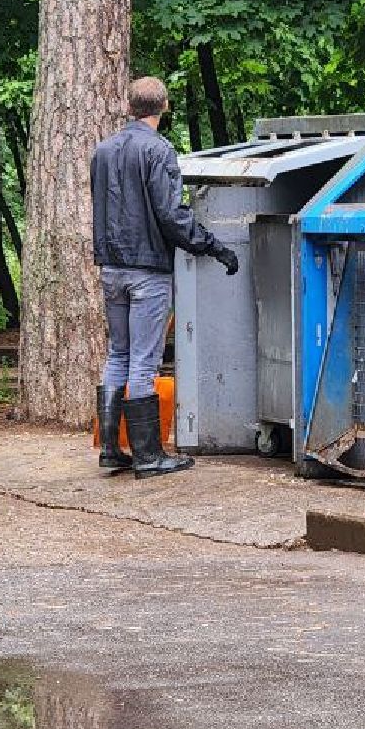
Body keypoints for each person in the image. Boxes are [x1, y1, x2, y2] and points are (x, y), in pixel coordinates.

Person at [91, 76, 239, 478]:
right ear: (165, 107)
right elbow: (171, 215)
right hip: (147, 271)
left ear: (129, 107)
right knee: (144, 360)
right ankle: (148, 456)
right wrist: (213, 246)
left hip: (111, 268)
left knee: (117, 354)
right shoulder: (159, 151)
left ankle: (110, 448)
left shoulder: (102, 151)